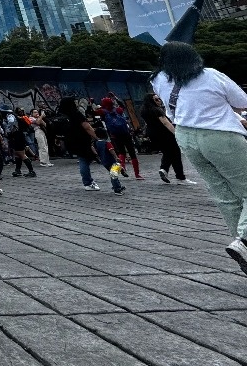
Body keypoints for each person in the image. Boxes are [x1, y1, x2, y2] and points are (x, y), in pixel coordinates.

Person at [150, 41, 247, 275]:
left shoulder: (159, 79)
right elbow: (242, 101)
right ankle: (243, 241)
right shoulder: (211, 75)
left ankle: (241, 246)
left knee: (224, 196)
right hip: (220, 136)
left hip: (185, 136)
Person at [140, 93, 193, 184]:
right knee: (176, 154)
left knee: (167, 152)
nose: (159, 101)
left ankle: (164, 169)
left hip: (153, 135)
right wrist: (176, 134)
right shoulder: (156, 110)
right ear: (151, 101)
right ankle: (180, 177)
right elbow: (166, 123)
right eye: (156, 99)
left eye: (159, 99)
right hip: (165, 134)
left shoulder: (144, 111)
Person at [59, 96, 102, 191]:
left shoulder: (62, 113)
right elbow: (87, 127)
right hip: (81, 139)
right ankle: (88, 182)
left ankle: (88, 181)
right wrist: (97, 137)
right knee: (84, 160)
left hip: (69, 140)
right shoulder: (76, 113)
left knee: (83, 158)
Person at [100, 97, 144, 180]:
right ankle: (137, 174)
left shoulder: (103, 112)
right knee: (132, 153)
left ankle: (120, 169)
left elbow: (93, 113)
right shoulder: (118, 110)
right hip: (125, 134)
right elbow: (122, 105)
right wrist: (115, 98)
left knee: (121, 153)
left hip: (115, 135)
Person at [93, 127, 127, 195]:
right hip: (111, 160)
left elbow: (96, 151)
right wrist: (116, 157)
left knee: (113, 173)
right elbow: (111, 151)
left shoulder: (97, 143)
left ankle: (118, 184)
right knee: (114, 175)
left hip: (104, 161)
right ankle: (117, 189)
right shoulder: (107, 143)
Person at [7, 110, 36, 179]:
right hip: (17, 137)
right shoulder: (17, 120)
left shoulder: (16, 120)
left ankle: (31, 171)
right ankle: (18, 170)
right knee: (17, 155)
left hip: (18, 138)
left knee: (22, 155)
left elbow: (11, 126)